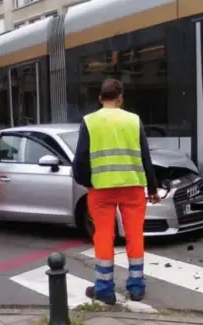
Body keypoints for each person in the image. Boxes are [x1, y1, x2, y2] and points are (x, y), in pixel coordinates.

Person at [72, 78, 161, 305]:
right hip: (132, 188)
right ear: (120, 98)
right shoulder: (133, 120)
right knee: (134, 236)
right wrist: (152, 187)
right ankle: (137, 287)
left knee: (103, 235)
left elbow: (80, 160)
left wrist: (86, 182)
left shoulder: (89, 121)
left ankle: (104, 288)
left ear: (100, 99)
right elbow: (145, 157)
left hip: (101, 189)